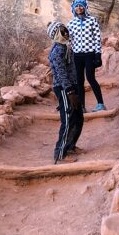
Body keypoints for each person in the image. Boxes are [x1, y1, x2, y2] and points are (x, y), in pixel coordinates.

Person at [47, 21, 84, 164]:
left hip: (71, 86)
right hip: (63, 88)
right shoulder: (58, 50)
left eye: (66, 30)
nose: (67, 33)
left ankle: (70, 147)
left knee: (78, 117)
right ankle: (60, 153)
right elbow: (61, 73)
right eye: (63, 31)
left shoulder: (66, 47)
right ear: (56, 33)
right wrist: (69, 91)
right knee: (68, 119)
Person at [67, 0, 106, 113]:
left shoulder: (92, 20)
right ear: (74, 8)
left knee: (90, 78)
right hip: (77, 55)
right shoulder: (71, 23)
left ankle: (100, 104)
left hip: (89, 54)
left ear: (85, 7)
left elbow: (97, 38)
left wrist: (98, 55)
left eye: (81, 6)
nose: (79, 8)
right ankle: (82, 107)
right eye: (77, 6)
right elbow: (68, 40)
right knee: (79, 81)